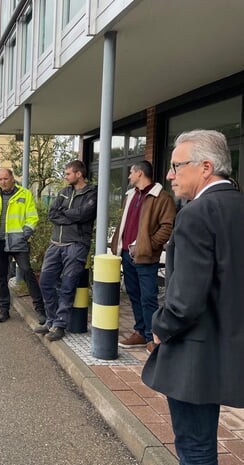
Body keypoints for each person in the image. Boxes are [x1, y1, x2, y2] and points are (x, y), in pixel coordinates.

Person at [141, 130, 244, 465]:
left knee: (195, 447)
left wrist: (159, 326)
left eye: (176, 166)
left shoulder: (196, 214)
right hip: (229, 345)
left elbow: (184, 302)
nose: (170, 175)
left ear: (205, 167)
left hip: (194, 354)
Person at [111, 161, 175, 353]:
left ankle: (152, 336)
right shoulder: (130, 195)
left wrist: (148, 245)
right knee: (134, 295)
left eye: (131, 173)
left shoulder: (162, 198)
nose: (129, 177)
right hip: (126, 255)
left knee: (148, 298)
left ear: (140, 173)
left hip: (146, 257)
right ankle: (140, 332)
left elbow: (167, 227)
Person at [35, 160, 97, 341]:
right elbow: (52, 214)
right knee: (46, 282)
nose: (65, 177)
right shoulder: (63, 192)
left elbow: (84, 214)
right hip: (55, 244)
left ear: (79, 174)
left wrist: (65, 214)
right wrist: (71, 215)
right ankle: (51, 320)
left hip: (76, 245)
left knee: (68, 287)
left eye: (68, 173)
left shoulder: (91, 193)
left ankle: (60, 325)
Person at [0, 168, 46, 323]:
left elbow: (32, 217)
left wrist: (24, 235)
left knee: (26, 272)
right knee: (1, 277)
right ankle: (4, 310)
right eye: (0, 180)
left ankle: (40, 310)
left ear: (12, 178)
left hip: (18, 242)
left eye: (5, 179)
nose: (3, 182)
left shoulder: (24, 194)